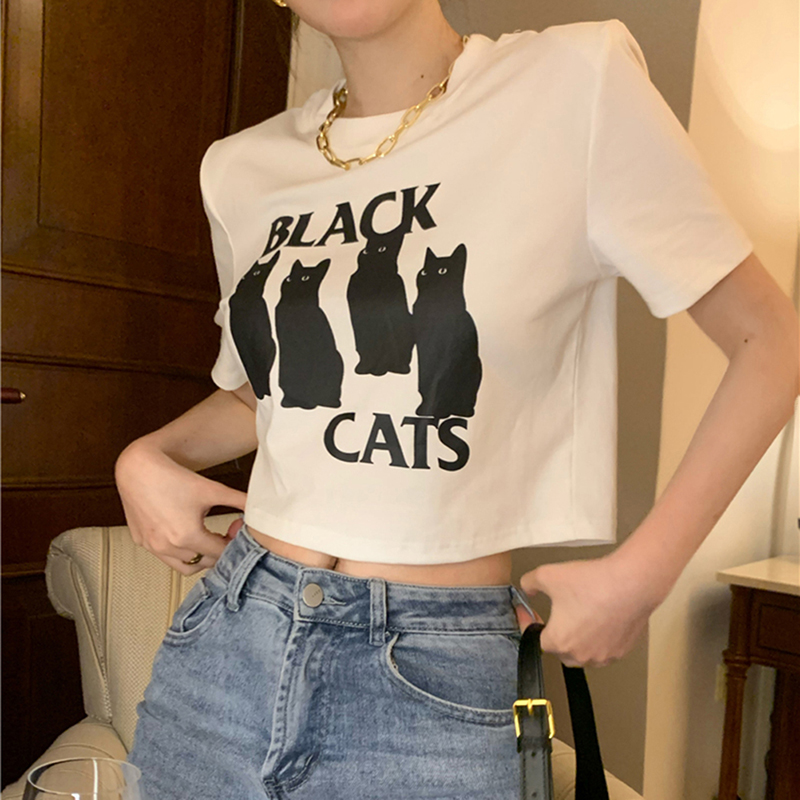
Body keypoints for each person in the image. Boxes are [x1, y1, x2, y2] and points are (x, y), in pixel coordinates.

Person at [118, 1, 799, 798]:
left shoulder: (574, 83)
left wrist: (644, 574)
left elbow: (771, 340)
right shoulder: (239, 168)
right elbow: (270, 396)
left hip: (432, 674)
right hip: (231, 641)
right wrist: (147, 456)